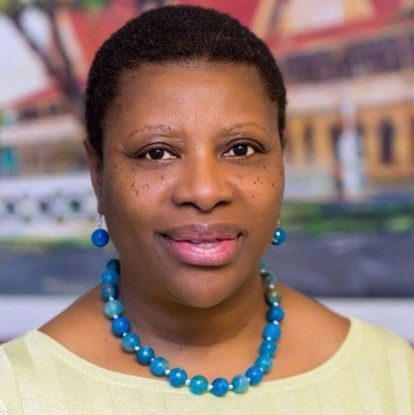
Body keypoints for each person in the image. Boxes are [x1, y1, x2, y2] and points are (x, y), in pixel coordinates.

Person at [1, 5, 413, 414]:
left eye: (241, 149)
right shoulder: (16, 391)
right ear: (98, 175)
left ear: (280, 159)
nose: (204, 191)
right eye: (157, 153)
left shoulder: (391, 375)